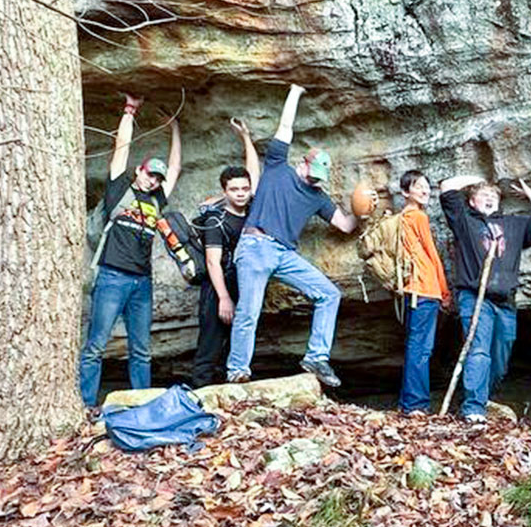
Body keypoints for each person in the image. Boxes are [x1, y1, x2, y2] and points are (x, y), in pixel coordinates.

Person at [225, 84, 362, 387]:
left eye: (320, 178)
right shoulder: (277, 165)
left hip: (284, 254)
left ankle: (316, 357)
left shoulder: (318, 196)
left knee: (329, 294)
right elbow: (285, 126)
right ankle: (237, 370)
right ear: (302, 163)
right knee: (249, 311)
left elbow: (345, 225)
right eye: (313, 174)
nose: (315, 181)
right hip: (256, 245)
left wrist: (362, 211)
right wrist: (295, 93)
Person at [79, 94, 181, 408]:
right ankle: (85, 405)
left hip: (141, 283)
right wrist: (129, 110)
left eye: (158, 179)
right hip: (112, 276)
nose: (154, 181)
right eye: (151, 174)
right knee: (96, 346)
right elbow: (120, 150)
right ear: (140, 170)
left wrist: (176, 127)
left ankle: (143, 404)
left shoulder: (157, 200)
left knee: (142, 350)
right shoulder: (119, 188)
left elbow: (175, 168)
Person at [435, 173, 531, 422]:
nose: (490, 198)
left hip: (505, 302)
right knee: (479, 351)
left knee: (500, 358)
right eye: (484, 195)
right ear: (472, 202)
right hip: (475, 296)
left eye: (494, 195)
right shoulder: (464, 220)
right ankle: (474, 408)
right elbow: (447, 186)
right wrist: (477, 179)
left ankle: (481, 398)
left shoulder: (514, 224)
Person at [190, 118, 260, 387]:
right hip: (219, 287)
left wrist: (246, 138)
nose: (241, 193)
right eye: (234, 189)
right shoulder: (215, 220)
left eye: (244, 189)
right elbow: (212, 261)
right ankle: (199, 394)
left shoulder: (252, 209)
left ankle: (231, 396)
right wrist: (224, 298)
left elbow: (253, 173)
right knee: (210, 342)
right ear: (224, 191)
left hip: (245, 283)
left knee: (237, 343)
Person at [393, 170, 451, 414]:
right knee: (421, 348)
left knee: (415, 345)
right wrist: (444, 291)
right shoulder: (417, 217)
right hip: (425, 288)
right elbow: (432, 255)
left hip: (411, 290)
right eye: (418, 186)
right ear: (406, 192)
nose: (425, 190)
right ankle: (416, 405)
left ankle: (408, 403)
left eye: (427, 186)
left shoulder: (401, 218)